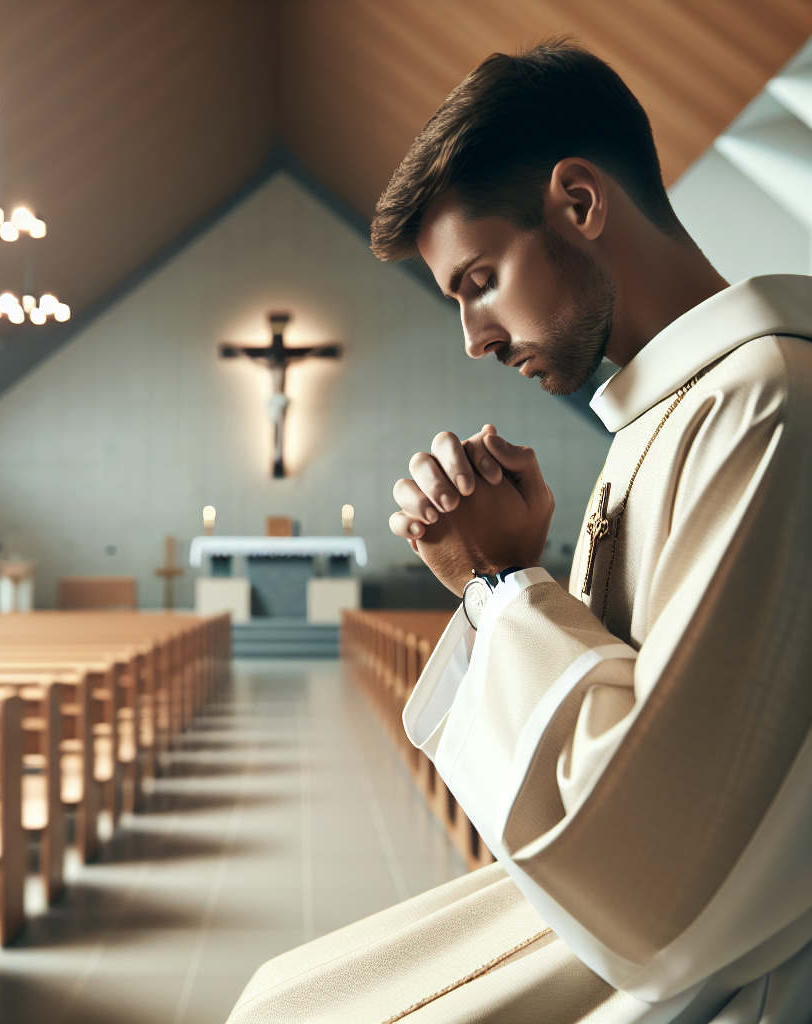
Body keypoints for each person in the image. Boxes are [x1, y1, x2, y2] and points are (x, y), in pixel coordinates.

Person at [226, 40, 811, 1024]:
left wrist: (501, 582)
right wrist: (503, 574)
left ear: (579, 203)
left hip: (719, 959)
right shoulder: (663, 414)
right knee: (281, 996)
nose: (474, 338)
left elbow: (654, 875)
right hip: (630, 921)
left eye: (478, 281)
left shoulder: (762, 403)